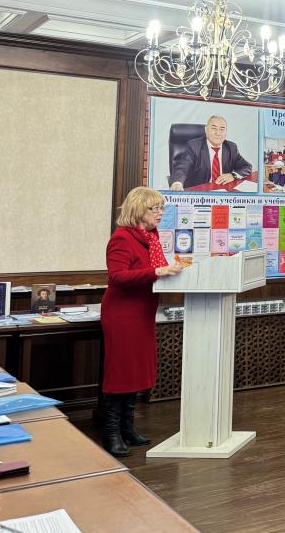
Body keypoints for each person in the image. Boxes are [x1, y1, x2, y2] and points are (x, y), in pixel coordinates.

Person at [101, 187, 184, 456]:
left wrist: (173, 270)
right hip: (122, 314)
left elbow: (153, 272)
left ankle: (128, 428)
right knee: (121, 373)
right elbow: (116, 277)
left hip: (143, 312)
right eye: (154, 208)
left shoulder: (152, 237)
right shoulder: (122, 238)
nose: (160, 213)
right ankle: (111, 433)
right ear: (138, 210)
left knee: (135, 371)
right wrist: (159, 270)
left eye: (162, 208)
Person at [169, 115, 253, 190]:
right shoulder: (194, 146)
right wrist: (177, 182)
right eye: (214, 128)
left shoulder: (231, 147)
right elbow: (182, 168)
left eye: (222, 129)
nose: (218, 133)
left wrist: (233, 175)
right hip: (201, 193)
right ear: (206, 130)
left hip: (223, 191)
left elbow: (247, 167)